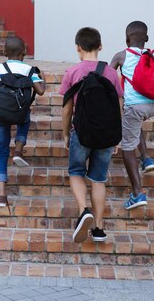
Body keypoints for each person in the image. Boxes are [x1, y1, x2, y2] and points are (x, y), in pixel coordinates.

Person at [59, 27, 124, 243]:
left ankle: (83, 209)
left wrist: (66, 133)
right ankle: (98, 228)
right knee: (98, 179)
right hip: (107, 133)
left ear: (77, 48)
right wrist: (118, 135)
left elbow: (67, 108)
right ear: (101, 47)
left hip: (82, 131)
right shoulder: (111, 73)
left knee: (76, 171)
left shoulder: (73, 72)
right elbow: (118, 105)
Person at [110, 21, 154, 210]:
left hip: (134, 106)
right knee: (134, 125)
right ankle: (146, 158)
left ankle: (137, 193)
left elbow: (108, 77)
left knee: (127, 147)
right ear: (147, 39)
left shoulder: (121, 55)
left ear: (126, 39)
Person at [0, 37, 45, 208]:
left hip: (0, 114)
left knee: (1, 151)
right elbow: (40, 91)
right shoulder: (29, 69)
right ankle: (18, 150)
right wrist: (43, 78)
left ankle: (1, 195)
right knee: (26, 115)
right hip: (19, 113)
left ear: (4, 52)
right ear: (24, 53)